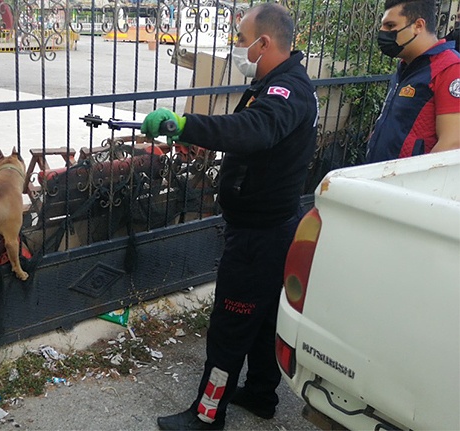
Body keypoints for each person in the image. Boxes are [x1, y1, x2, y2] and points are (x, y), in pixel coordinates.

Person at [140, 3, 318, 430]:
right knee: (261, 321)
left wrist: (185, 125)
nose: (237, 47)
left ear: (265, 43)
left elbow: (252, 131)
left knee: (230, 325)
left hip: (261, 236)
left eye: (241, 39)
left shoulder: (285, 91)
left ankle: (206, 415)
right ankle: (260, 394)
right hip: (271, 227)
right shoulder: (275, 81)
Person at [366, 0, 460, 163]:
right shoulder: (407, 66)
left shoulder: (450, 68)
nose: (382, 32)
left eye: (390, 26)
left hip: (406, 184)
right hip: (382, 177)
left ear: (418, 25)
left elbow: (451, 143)